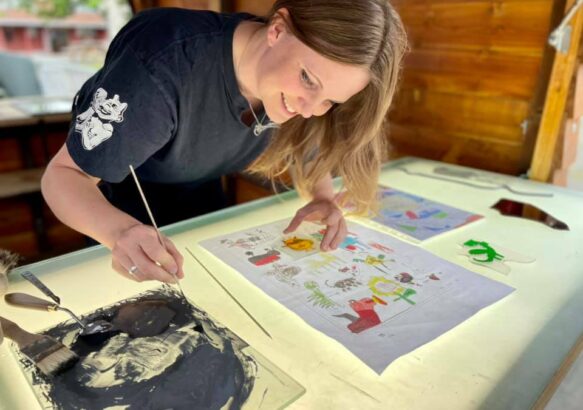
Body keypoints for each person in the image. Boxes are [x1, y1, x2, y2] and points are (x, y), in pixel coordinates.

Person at [41, 0, 408, 284]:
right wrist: (119, 231)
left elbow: (308, 146)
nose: (309, 109)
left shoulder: (294, 90)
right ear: (278, 30)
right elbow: (63, 176)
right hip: (112, 205)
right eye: (308, 80)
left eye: (330, 101)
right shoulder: (161, 65)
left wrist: (323, 196)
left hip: (201, 195)